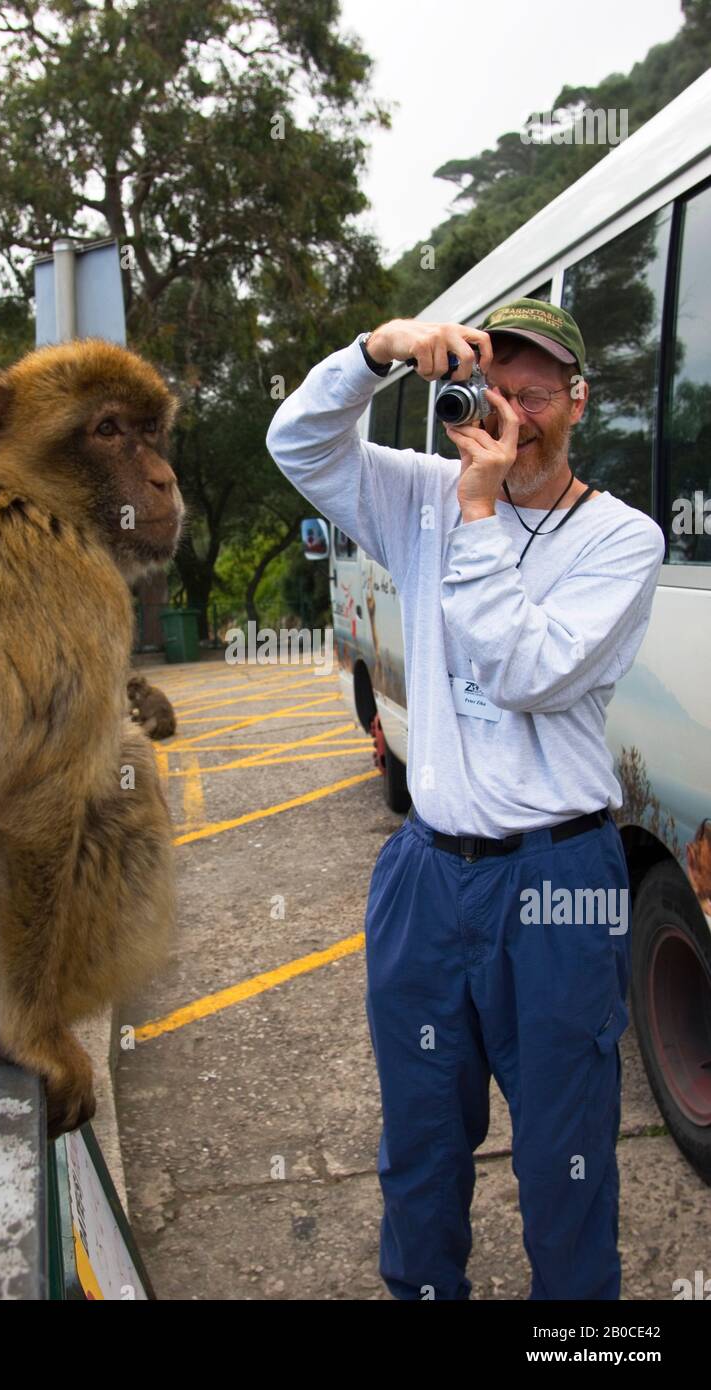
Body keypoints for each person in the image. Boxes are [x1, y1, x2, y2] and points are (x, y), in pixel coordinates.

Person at [264, 300, 666, 1300]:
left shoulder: (622, 540)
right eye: (498, 388)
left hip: (556, 879)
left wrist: (479, 514)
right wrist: (377, 352)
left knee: (563, 1160)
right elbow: (298, 442)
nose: (514, 412)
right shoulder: (418, 494)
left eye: (535, 393)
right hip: (427, 875)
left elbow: (527, 669)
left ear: (575, 401)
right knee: (419, 1146)